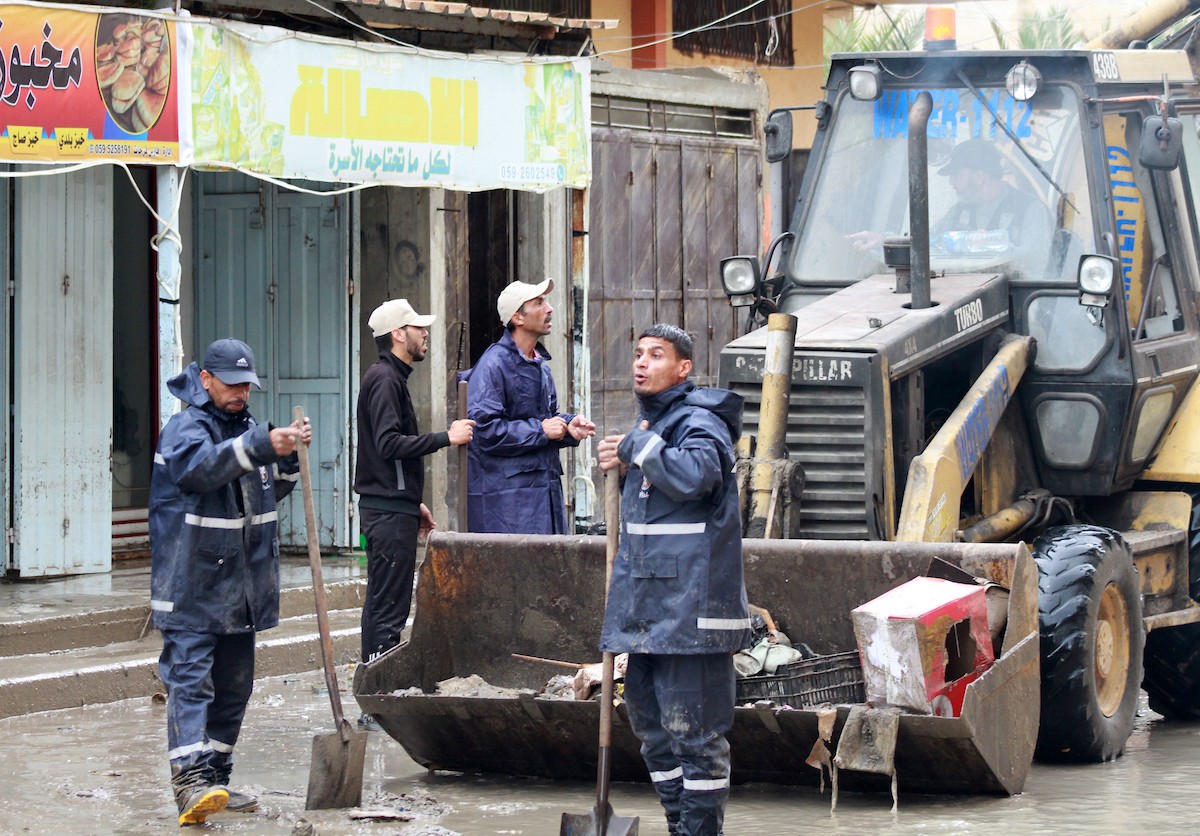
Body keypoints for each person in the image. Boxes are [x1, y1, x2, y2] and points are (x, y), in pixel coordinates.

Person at [596, 324, 752, 836]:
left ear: (683, 368)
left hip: (691, 616)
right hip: (650, 613)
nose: (641, 362)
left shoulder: (699, 423)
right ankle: (678, 827)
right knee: (653, 730)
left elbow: (695, 476)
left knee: (696, 736)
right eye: (637, 353)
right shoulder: (654, 424)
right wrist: (623, 461)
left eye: (656, 355)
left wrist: (638, 447)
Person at [149, 338, 311, 826]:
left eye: (247, 385)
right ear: (205, 379)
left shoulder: (244, 428)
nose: (242, 392)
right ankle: (189, 783)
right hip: (191, 588)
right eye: (232, 383)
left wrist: (284, 462)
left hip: (239, 592)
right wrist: (261, 445)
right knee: (192, 684)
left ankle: (215, 780)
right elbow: (203, 470)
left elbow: (260, 493)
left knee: (234, 688)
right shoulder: (185, 429)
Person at [355, 299, 474, 668]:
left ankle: (374, 684)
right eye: (418, 328)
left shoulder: (391, 378)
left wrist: (412, 501)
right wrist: (445, 437)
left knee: (385, 600)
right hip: (386, 513)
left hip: (393, 507)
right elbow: (388, 444)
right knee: (387, 606)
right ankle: (377, 687)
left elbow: (387, 453)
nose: (426, 334)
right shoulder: (385, 380)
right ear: (397, 334)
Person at [466, 277, 595, 534]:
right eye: (539, 303)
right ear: (518, 318)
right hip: (509, 503)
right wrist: (541, 430)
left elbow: (548, 419)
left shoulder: (540, 366)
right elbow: (484, 430)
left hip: (543, 493)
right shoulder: (494, 365)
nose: (549, 309)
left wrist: (569, 426)